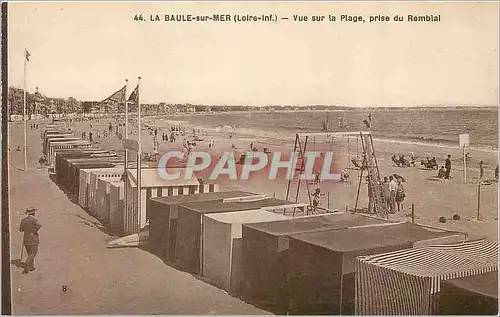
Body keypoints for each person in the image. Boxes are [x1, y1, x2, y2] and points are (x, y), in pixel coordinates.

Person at [19, 207, 41, 274]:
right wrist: (34, 231)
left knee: (29, 253)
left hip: (26, 239)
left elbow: (21, 230)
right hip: (33, 238)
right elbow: (39, 225)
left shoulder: (23, 220)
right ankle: (26, 264)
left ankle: (31, 267)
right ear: (33, 213)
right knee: (33, 253)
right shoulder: (34, 220)